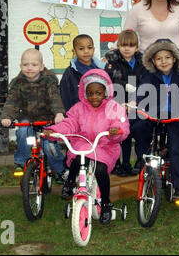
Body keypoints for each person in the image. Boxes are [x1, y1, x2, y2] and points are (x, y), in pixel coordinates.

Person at [43, 69, 130, 224]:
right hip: (84, 143)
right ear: (84, 93)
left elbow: (121, 124)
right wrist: (55, 131)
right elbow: (69, 124)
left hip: (105, 145)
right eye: (90, 93)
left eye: (98, 93)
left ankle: (105, 203)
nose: (94, 97)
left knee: (100, 170)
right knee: (78, 159)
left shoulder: (114, 108)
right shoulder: (78, 108)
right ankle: (70, 182)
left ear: (105, 92)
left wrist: (115, 132)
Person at [130, 39, 179, 203]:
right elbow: (142, 90)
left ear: (174, 59)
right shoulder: (150, 75)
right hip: (155, 114)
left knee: (177, 148)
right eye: (159, 58)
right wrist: (135, 102)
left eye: (167, 57)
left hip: (175, 116)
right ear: (152, 61)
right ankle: (143, 159)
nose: (163, 62)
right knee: (139, 126)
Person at [1, 48, 66, 182]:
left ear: (41, 66)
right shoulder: (17, 83)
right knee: (23, 132)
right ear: (20, 66)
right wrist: (7, 117)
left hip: (47, 119)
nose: (29, 68)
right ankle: (21, 162)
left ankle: (60, 170)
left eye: (34, 65)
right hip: (27, 119)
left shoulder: (49, 80)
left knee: (50, 145)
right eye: (25, 65)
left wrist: (59, 113)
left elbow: (54, 98)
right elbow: (12, 102)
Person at [104, 29, 148, 177]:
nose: (127, 48)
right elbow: (109, 81)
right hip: (118, 104)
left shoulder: (143, 62)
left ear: (136, 47)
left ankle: (139, 161)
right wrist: (124, 87)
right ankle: (120, 164)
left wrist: (135, 100)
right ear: (118, 46)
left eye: (130, 45)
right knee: (120, 135)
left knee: (140, 131)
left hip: (138, 103)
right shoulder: (112, 62)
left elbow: (146, 82)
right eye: (123, 45)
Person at [60, 34, 105, 112]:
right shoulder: (70, 73)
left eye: (89, 48)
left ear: (94, 49)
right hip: (78, 115)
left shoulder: (102, 70)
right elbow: (65, 97)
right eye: (81, 49)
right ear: (74, 51)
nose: (86, 51)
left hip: (99, 114)